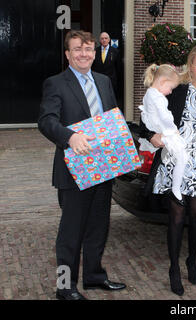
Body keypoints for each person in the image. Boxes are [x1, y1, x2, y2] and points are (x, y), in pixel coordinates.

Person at [38, 30, 126, 300]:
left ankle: (94, 277)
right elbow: (46, 121)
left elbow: (112, 118)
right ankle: (65, 287)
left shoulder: (103, 81)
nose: (84, 54)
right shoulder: (56, 83)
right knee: (71, 231)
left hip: (104, 167)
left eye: (88, 49)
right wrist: (69, 136)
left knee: (98, 225)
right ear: (68, 54)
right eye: (78, 49)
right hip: (73, 169)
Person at [139, 45, 196, 296]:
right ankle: (174, 268)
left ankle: (191, 259)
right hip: (176, 158)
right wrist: (150, 135)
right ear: (190, 65)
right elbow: (150, 112)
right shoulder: (176, 89)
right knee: (177, 215)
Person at [138, 64, 188, 205]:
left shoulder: (149, 94)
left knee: (180, 157)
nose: (171, 92)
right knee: (182, 157)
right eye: (170, 88)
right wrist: (173, 129)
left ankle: (175, 189)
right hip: (165, 132)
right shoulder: (158, 98)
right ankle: (176, 190)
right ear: (163, 82)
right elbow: (165, 117)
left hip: (160, 131)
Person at [92, 32, 121, 97]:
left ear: (109, 40)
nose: (104, 40)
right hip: (98, 80)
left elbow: (118, 68)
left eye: (106, 38)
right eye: (102, 38)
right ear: (100, 40)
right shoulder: (95, 51)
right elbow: (92, 66)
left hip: (111, 81)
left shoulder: (115, 51)